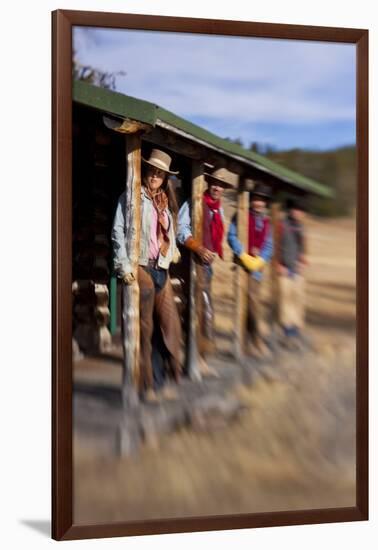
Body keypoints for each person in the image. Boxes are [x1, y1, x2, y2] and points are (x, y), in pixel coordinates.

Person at [111, 149, 182, 403]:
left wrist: (172, 251)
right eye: (152, 171)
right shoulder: (131, 197)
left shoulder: (163, 201)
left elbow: (169, 234)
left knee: (170, 325)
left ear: (164, 178)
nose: (155, 176)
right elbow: (118, 231)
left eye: (160, 173)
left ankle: (170, 378)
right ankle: (148, 386)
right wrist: (123, 264)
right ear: (146, 171)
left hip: (161, 267)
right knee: (146, 329)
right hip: (141, 266)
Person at [176, 167, 234, 359]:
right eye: (215, 183)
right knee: (198, 306)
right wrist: (198, 248)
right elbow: (180, 229)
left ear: (224, 189)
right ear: (209, 183)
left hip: (207, 265)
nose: (217, 188)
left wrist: (211, 251)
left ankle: (203, 352)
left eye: (221, 185)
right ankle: (197, 353)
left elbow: (216, 235)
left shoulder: (218, 208)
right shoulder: (195, 202)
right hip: (192, 262)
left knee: (205, 305)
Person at [227, 183, 273, 358]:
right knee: (242, 305)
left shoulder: (267, 222)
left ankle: (255, 341)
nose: (258, 203)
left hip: (256, 271)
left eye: (261, 200)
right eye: (256, 199)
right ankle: (246, 344)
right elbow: (231, 236)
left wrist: (260, 259)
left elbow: (269, 245)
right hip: (241, 267)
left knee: (253, 305)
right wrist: (243, 253)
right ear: (251, 200)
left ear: (265, 203)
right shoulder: (241, 216)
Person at [277, 197, 309, 350]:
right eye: (296, 209)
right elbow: (276, 245)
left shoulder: (301, 227)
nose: (298, 212)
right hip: (285, 268)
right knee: (286, 301)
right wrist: (278, 263)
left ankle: (296, 332)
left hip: (297, 269)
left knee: (298, 300)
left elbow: (302, 247)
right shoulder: (282, 225)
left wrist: (302, 259)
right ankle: (287, 334)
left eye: (300, 210)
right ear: (290, 210)